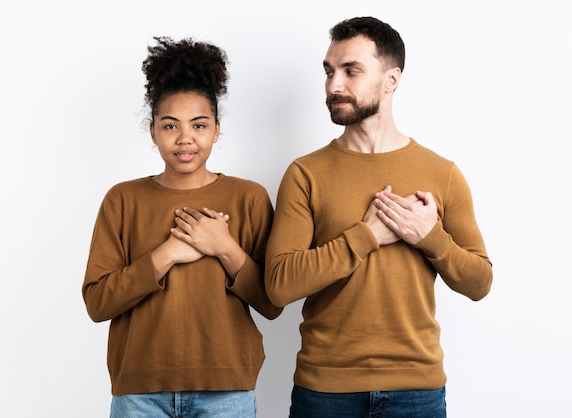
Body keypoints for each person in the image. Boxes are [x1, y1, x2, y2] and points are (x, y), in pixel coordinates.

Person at [265, 16, 493, 418]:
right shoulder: (306, 173)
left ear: (391, 79)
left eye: (351, 71)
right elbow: (279, 285)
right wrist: (366, 235)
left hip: (417, 391)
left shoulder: (442, 173)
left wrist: (430, 237)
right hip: (325, 390)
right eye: (329, 71)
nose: (334, 85)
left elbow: (479, 282)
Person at [82, 36, 282, 418]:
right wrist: (165, 255)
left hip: (228, 391)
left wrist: (225, 248)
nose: (185, 138)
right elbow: (97, 302)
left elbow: (272, 303)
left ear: (217, 130)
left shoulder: (249, 198)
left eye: (199, 125)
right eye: (170, 125)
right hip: (139, 393)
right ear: (153, 130)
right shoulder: (122, 200)